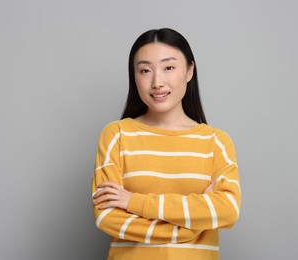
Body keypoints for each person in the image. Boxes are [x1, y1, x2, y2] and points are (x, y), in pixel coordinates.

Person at [92, 28, 241, 260]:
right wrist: (190, 228)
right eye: (145, 70)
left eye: (168, 67)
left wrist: (134, 201)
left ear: (190, 70)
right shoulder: (117, 135)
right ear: (134, 76)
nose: (157, 82)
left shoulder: (216, 142)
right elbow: (107, 216)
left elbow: (227, 211)